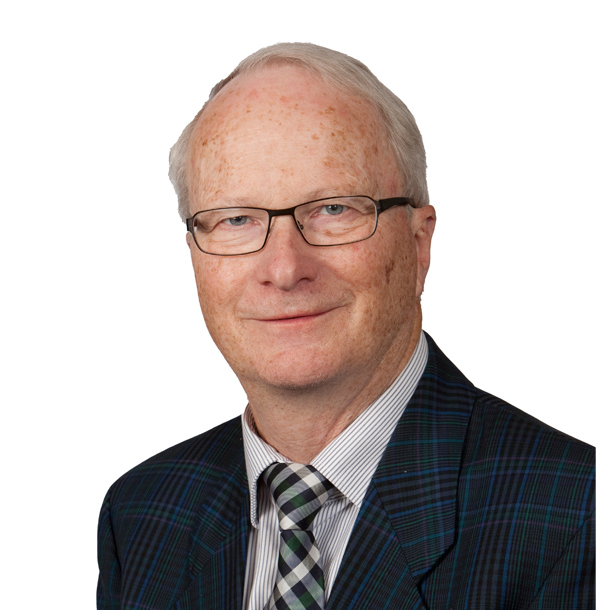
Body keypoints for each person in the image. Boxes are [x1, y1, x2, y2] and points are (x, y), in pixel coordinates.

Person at [97, 43, 595, 610]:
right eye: (235, 219)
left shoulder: (578, 514)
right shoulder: (139, 515)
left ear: (419, 243)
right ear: (194, 255)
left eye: (333, 209)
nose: (285, 269)